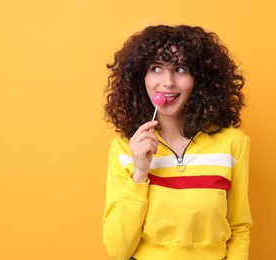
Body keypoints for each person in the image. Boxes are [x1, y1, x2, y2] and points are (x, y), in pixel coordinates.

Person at [102, 24, 252, 260]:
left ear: (199, 79)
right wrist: (140, 173)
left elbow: (238, 228)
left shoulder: (233, 143)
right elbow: (118, 250)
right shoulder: (124, 148)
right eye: (156, 68)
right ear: (142, 77)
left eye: (180, 69)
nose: (168, 82)